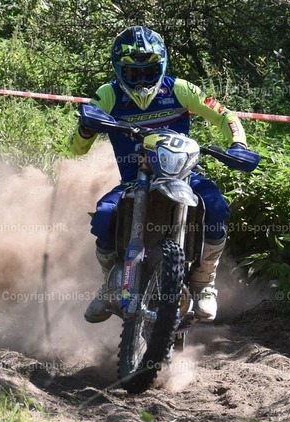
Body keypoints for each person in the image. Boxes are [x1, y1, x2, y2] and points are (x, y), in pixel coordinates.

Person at [70, 25, 248, 324]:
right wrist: (86, 128)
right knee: (104, 215)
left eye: (149, 72)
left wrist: (238, 144)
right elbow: (76, 148)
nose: (141, 81)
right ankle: (109, 285)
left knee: (216, 207)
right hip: (134, 179)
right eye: (133, 73)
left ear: (162, 66)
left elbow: (224, 115)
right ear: (119, 70)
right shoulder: (108, 94)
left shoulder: (181, 89)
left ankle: (204, 283)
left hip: (184, 174)